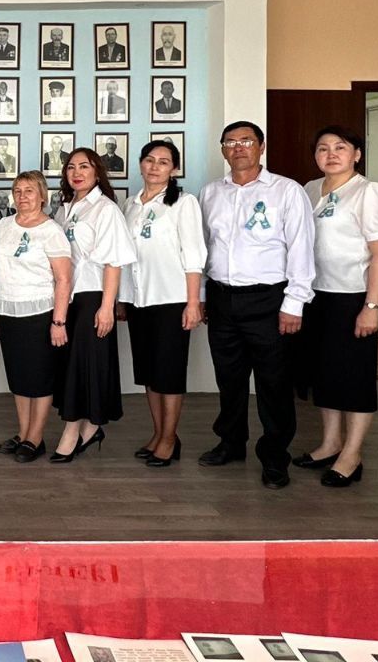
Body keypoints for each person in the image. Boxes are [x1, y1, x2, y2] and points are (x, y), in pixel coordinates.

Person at [198, 121, 315, 490]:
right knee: (229, 378)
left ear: (261, 147)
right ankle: (231, 443)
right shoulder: (210, 193)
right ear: (222, 149)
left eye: (246, 141)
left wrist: (294, 302)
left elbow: (301, 247)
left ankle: (275, 456)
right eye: (231, 142)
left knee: (273, 382)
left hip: (269, 300)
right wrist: (201, 296)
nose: (238, 148)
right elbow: (203, 248)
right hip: (222, 298)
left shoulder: (287, 190)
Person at [293, 125, 378, 488]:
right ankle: (330, 443)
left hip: (353, 297)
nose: (331, 154)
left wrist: (372, 306)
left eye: (340, 147)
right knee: (324, 373)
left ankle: (352, 454)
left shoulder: (370, 192)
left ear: (357, 154)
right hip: (315, 295)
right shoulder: (309, 189)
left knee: (354, 376)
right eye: (323, 148)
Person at [116, 140, 205, 467]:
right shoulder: (130, 204)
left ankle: (170, 438)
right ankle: (158, 433)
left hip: (172, 299)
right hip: (139, 299)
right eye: (150, 160)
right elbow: (123, 256)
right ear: (141, 164)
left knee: (169, 373)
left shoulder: (183, 203)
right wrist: (122, 299)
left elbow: (194, 255)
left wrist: (193, 302)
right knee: (149, 374)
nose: (155, 167)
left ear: (175, 169)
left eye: (164, 162)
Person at [52, 149, 136, 463]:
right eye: (71, 167)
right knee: (72, 365)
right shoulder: (65, 208)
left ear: (97, 172)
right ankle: (91, 426)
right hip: (67, 297)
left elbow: (114, 261)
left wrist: (106, 306)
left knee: (85, 364)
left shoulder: (105, 209)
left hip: (92, 296)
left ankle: (73, 430)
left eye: (84, 166)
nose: (77, 172)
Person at [0, 170, 72, 463]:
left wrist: (59, 322)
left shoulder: (51, 231)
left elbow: (64, 279)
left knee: (39, 378)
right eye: (18, 191)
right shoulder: (4, 225)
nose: (22, 196)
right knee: (18, 377)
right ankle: (23, 432)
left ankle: (35, 438)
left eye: (29, 191)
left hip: (39, 313)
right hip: (8, 310)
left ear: (42, 196)